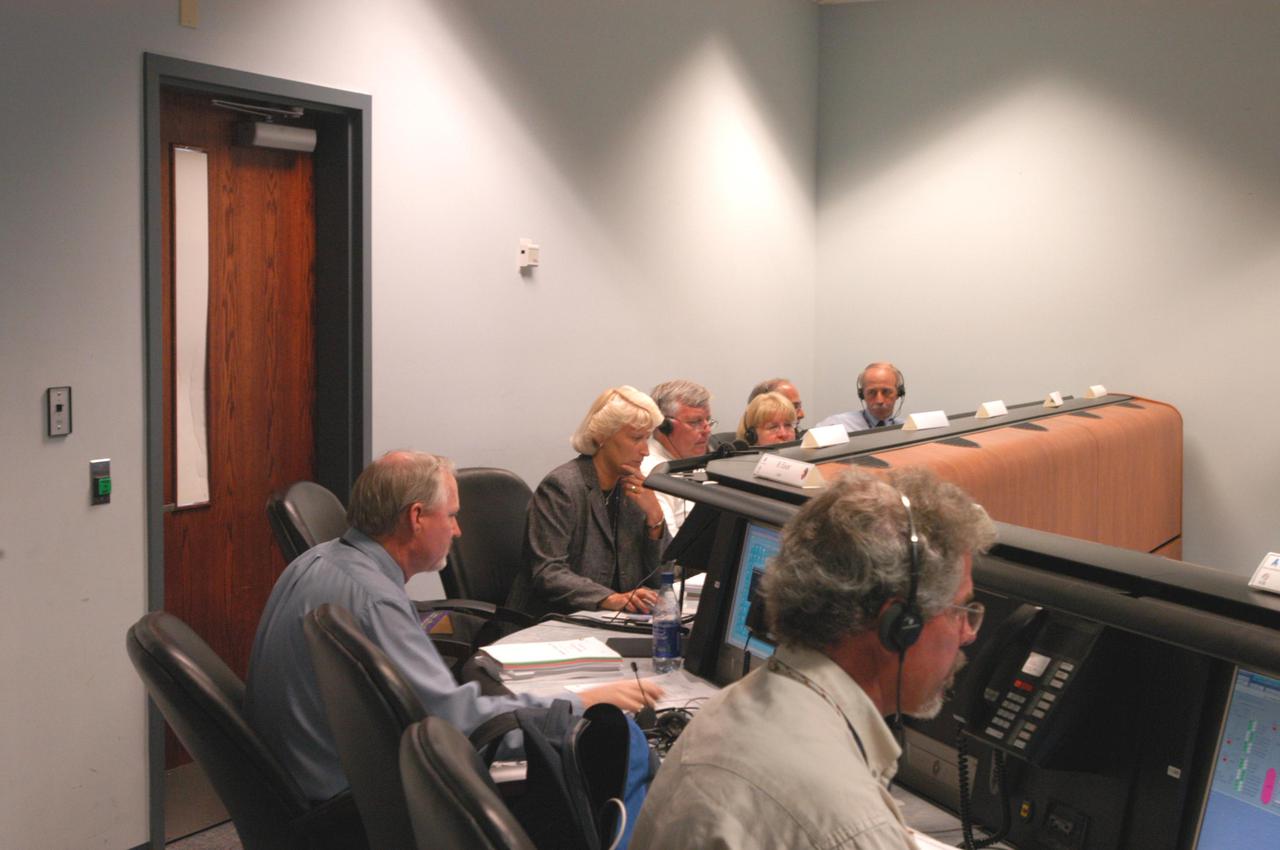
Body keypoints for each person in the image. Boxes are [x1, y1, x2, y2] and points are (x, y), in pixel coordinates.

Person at [245, 450, 661, 802]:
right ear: (416, 517)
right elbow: (454, 723)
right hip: (352, 800)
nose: (458, 530)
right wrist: (580, 704)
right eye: (452, 516)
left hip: (303, 775)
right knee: (587, 769)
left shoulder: (318, 560)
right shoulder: (376, 602)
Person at [631, 467, 995, 850]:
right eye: (959, 609)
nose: (968, 632)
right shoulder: (851, 828)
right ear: (898, 625)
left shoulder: (729, 710)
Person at [510, 386, 671, 617]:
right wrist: (611, 599)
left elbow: (664, 578)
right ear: (602, 436)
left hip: (616, 621)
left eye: (647, 438)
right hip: (555, 621)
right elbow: (548, 572)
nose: (645, 450)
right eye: (636, 438)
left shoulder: (632, 488)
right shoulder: (562, 487)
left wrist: (655, 518)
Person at [638, 379, 716, 535]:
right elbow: (668, 546)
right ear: (664, 426)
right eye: (695, 422)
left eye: (708, 420)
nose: (706, 431)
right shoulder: (651, 471)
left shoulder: (699, 459)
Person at [816, 362, 906, 431]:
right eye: (872, 392)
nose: (879, 400)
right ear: (862, 394)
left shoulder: (906, 429)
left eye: (886, 392)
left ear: (898, 393)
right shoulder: (836, 425)